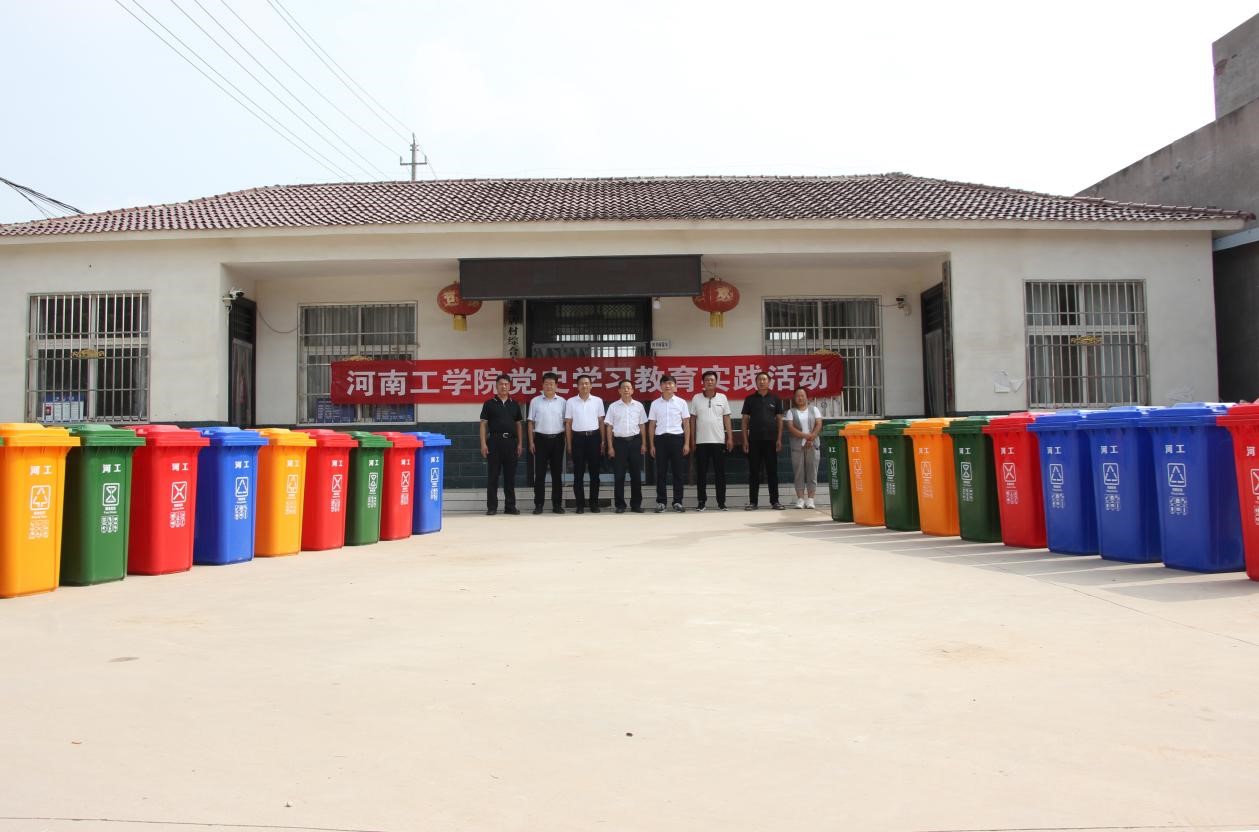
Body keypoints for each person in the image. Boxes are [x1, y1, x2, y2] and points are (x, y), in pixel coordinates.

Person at [479, 374, 523, 515]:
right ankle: (492, 507)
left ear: (510, 386)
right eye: (501, 384)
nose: (503, 386)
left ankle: (510, 506)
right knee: (493, 476)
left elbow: (518, 424)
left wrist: (520, 443)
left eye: (506, 384)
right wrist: (483, 444)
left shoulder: (514, 404)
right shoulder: (489, 403)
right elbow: (483, 424)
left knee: (510, 477)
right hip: (494, 442)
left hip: (511, 443)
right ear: (496, 386)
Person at [740, 371, 786, 510]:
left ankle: (775, 501)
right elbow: (744, 421)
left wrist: (779, 439)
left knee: (772, 472)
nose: (762, 381)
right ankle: (753, 502)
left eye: (764, 379)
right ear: (756, 382)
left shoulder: (775, 399)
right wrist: (745, 440)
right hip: (754, 441)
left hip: (771, 441)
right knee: (754, 472)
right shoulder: (749, 399)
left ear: (769, 382)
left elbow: (779, 420)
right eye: (759, 379)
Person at [689, 370, 733, 511]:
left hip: (718, 441)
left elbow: (726, 418)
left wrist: (730, 437)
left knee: (720, 473)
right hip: (701, 442)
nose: (709, 382)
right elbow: (692, 420)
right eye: (707, 379)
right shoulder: (696, 398)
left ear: (716, 382)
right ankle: (701, 502)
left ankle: (721, 502)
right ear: (703, 382)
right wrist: (692, 439)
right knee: (701, 474)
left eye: (712, 380)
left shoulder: (722, 398)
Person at [604, 378, 648, 514]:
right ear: (619, 390)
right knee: (619, 475)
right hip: (619, 443)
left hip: (635, 442)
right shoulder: (613, 407)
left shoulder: (639, 406)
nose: (626, 390)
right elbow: (609, 427)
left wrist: (644, 443)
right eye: (623, 387)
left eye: (629, 387)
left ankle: (636, 504)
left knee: (636, 475)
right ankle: (620, 505)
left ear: (633, 390)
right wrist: (610, 447)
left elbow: (642, 425)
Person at [648, 374, 691, 512]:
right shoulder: (655, 404)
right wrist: (652, 445)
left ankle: (677, 502)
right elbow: (652, 425)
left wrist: (686, 443)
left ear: (675, 386)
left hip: (677, 439)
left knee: (678, 472)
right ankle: (661, 502)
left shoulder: (681, 403)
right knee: (661, 472)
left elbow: (686, 424)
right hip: (660, 440)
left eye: (670, 383)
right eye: (665, 383)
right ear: (660, 386)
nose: (667, 386)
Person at [564, 374, 606, 514]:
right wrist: (569, 443)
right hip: (578, 439)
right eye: (581, 383)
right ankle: (580, 505)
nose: (584, 386)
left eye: (587, 383)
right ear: (577, 386)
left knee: (595, 474)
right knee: (578, 474)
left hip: (594, 438)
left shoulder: (598, 401)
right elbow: (568, 424)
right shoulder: (571, 402)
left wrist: (603, 441)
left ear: (591, 385)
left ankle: (594, 504)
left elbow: (601, 422)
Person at [528, 372, 567, 515]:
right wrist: (531, 441)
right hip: (540, 440)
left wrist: (566, 440)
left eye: (552, 383)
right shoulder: (535, 401)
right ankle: (538, 504)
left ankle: (557, 505)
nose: (549, 386)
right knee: (540, 474)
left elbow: (567, 423)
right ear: (542, 385)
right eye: (546, 383)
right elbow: (530, 423)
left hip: (558, 439)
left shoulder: (563, 402)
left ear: (556, 385)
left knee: (557, 474)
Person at [785, 388, 824, 509]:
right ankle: (800, 499)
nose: (800, 398)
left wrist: (811, 438)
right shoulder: (791, 412)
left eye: (802, 395)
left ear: (807, 397)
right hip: (797, 446)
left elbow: (819, 424)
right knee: (798, 472)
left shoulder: (814, 409)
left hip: (813, 444)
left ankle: (810, 499)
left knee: (812, 472)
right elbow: (790, 427)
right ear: (794, 398)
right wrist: (805, 436)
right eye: (798, 396)